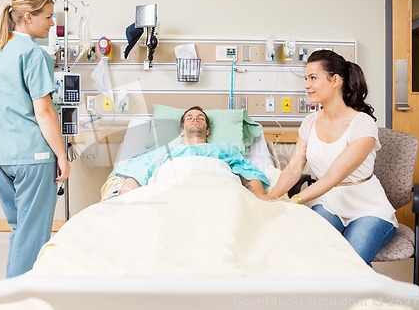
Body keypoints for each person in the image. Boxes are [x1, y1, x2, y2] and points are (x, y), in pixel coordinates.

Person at [260, 50, 397, 265]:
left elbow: (333, 176)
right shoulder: (310, 123)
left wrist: (296, 200)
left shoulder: (363, 124)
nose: (307, 85)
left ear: (335, 80)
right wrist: (273, 197)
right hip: (329, 202)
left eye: (313, 78)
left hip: (368, 206)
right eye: (306, 79)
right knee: (311, 255)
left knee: (350, 262)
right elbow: (294, 167)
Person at [0, 0, 70, 278]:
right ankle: (18, 296)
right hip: (32, 156)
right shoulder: (33, 53)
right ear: (28, 17)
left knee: (19, 228)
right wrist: (62, 156)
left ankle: (13, 288)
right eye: (48, 17)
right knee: (32, 234)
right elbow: (43, 111)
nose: (52, 23)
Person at [112, 106, 269, 197]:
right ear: (181, 130)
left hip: (219, 192)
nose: (195, 119)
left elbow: (250, 175)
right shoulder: (165, 152)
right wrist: (126, 200)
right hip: (171, 192)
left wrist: (260, 199)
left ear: (208, 131)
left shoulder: (225, 150)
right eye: (189, 117)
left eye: (201, 117)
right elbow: (136, 174)